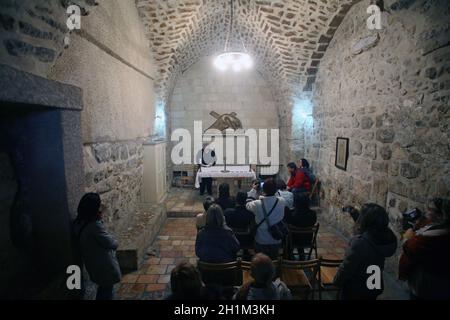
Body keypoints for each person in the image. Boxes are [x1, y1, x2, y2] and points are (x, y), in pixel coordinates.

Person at [333, 203, 397, 300]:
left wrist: (337, 282)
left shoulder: (360, 243)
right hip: (373, 285)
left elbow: (347, 267)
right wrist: (353, 212)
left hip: (356, 290)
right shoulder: (384, 237)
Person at [73, 193, 122, 300]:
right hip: (103, 265)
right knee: (106, 291)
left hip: (92, 263)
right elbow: (111, 243)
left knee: (103, 289)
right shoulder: (94, 226)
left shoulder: (78, 222)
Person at [399, 198, 450, 299]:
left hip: (425, 280)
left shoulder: (436, 236)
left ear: (441, 215)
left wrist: (407, 236)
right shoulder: (439, 226)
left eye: (431, 209)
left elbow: (409, 248)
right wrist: (417, 224)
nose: (427, 211)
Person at [246, 178, 286, 260]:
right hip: (276, 238)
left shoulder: (257, 204)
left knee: (260, 260)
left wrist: (253, 190)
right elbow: (276, 197)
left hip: (261, 239)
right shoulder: (282, 201)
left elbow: (247, 204)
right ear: (276, 190)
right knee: (274, 259)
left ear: (263, 190)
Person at [284, 193, 317, 260]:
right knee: (299, 234)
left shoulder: (293, 214)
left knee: (287, 234)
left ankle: (287, 255)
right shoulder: (313, 214)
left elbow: (287, 223)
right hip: (307, 240)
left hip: (293, 240)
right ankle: (301, 254)